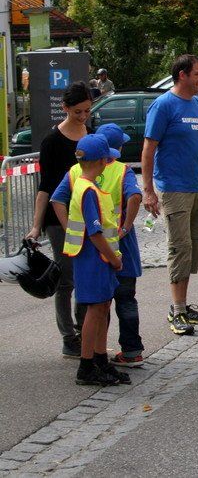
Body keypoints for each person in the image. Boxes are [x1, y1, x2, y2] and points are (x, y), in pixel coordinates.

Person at [51, 124, 145, 368]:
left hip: (89, 249)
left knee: (98, 306)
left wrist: (71, 228)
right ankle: (106, 358)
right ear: (108, 154)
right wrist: (125, 228)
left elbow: (56, 199)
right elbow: (134, 197)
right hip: (111, 248)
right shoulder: (118, 173)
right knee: (116, 302)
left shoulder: (75, 173)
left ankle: (96, 357)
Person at [142, 54, 198, 336]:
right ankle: (177, 309)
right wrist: (148, 190)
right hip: (174, 188)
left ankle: (184, 305)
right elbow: (148, 149)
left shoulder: (197, 103)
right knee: (179, 247)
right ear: (182, 75)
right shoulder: (163, 105)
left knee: (195, 248)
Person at [28, 81, 92, 357]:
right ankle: (69, 337)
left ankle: (84, 331)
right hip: (59, 218)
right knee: (66, 279)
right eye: (78, 112)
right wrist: (35, 226)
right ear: (65, 108)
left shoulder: (92, 136)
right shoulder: (52, 141)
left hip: (89, 215)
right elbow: (45, 187)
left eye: (87, 111)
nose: (83, 116)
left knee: (85, 276)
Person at [62, 133, 128, 386]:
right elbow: (95, 232)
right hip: (95, 258)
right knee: (95, 309)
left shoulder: (82, 184)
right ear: (103, 161)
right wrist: (114, 259)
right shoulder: (89, 190)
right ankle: (87, 365)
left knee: (102, 307)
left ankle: (100, 360)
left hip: (95, 257)